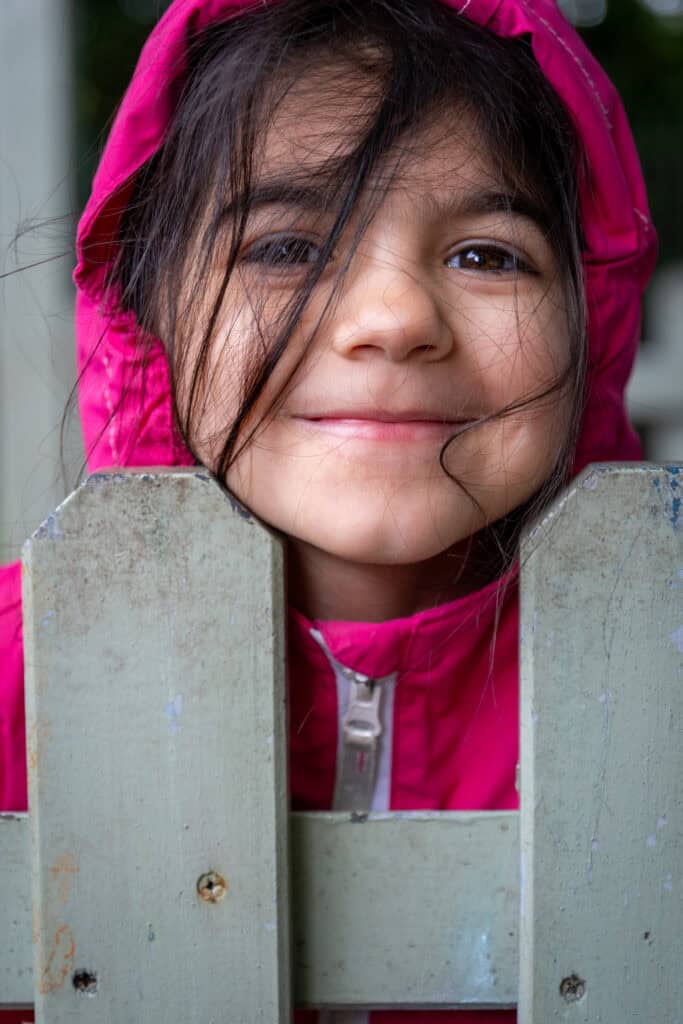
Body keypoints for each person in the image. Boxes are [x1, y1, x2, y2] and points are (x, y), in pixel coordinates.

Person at [0, 0, 657, 1021]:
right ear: (148, 312)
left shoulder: (655, 686)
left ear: (592, 317)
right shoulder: (15, 684)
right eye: (287, 248)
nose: (391, 320)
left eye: (486, 254)